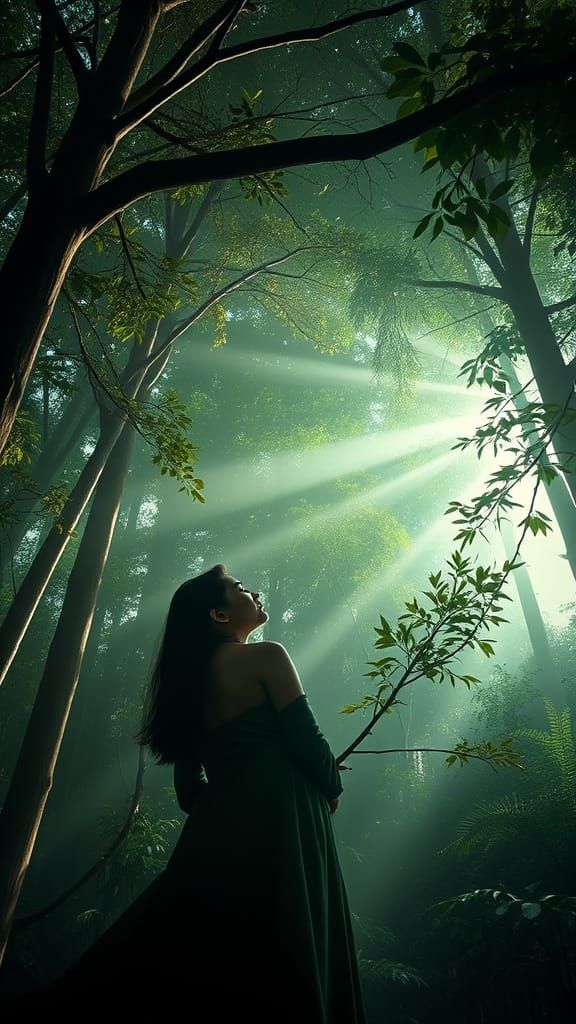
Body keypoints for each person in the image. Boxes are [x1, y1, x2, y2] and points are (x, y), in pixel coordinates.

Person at [11, 564, 368, 1021]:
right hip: (288, 818)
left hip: (218, 831)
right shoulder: (266, 656)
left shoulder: (186, 690)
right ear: (219, 615)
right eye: (240, 589)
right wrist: (329, 789)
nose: (254, 591)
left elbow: (188, 792)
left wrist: (221, 822)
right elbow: (307, 740)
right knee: (289, 940)